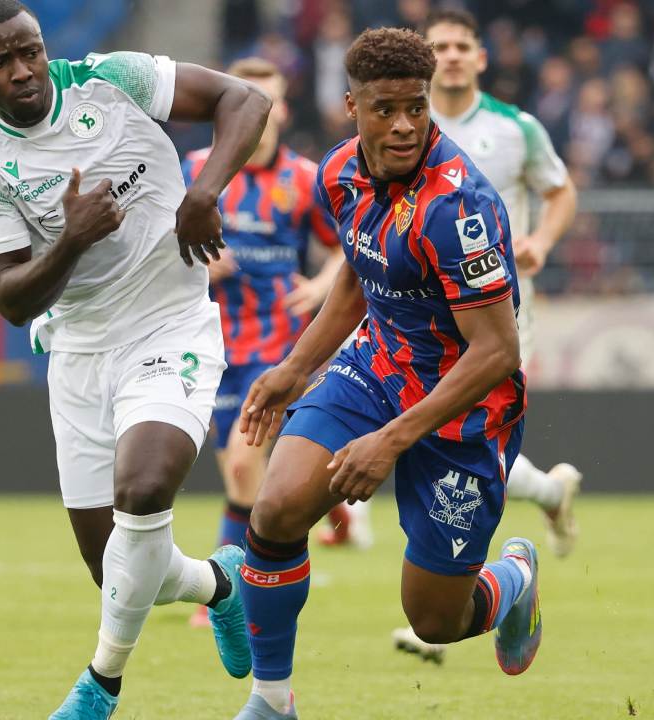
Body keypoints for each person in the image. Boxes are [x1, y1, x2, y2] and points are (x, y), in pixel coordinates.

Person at [0, 2, 271, 717]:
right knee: (119, 571)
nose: (23, 70)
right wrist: (72, 239)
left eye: (30, 51)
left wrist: (205, 191)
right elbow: (10, 299)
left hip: (170, 327)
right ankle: (222, 585)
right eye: (1, 62)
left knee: (144, 488)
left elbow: (245, 100)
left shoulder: (110, 80)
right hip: (80, 351)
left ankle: (101, 683)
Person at [230, 28, 540, 719]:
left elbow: (497, 351)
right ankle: (271, 701)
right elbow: (357, 272)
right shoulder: (339, 171)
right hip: (376, 367)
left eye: (416, 108)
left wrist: (390, 442)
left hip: (465, 409)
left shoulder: (459, 207)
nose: (403, 125)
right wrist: (295, 368)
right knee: (275, 511)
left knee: (435, 620)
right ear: (352, 107)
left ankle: (514, 579)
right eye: (385, 109)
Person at [390, 8, 581, 663]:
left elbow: (561, 191)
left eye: (460, 46)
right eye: (438, 45)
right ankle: (529, 521)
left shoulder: (515, 128)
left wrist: (541, 242)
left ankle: (459, 594)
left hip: (494, 315)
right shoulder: (404, 126)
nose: (449, 55)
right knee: (426, 437)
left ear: (480, 57)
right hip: (415, 315)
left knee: (456, 437)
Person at [178, 57, 345, 628]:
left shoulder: (305, 178)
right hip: (209, 344)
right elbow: (156, 241)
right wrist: (195, 262)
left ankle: (226, 593)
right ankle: (272, 564)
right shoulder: (195, 169)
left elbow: (346, 246)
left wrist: (318, 286)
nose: (259, 115)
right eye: (247, 101)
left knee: (245, 468)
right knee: (241, 474)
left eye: (268, 103)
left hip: (278, 345)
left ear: (283, 110)